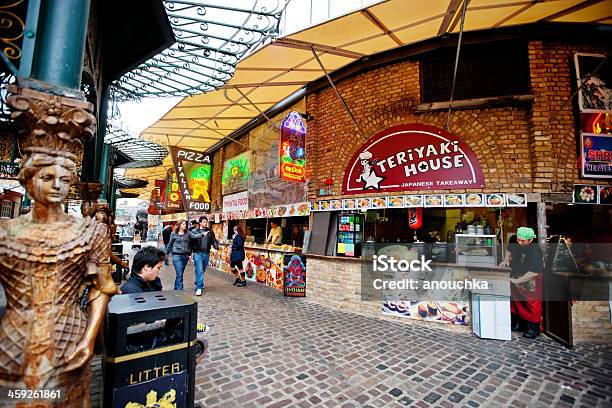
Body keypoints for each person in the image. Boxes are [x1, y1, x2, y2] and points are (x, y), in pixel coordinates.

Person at [0, 146, 117, 404]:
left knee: (71, 400)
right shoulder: (5, 231)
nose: (57, 186)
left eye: (64, 180)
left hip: (70, 335)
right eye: (47, 178)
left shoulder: (92, 232)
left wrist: (89, 337)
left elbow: (104, 286)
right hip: (13, 340)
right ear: (28, 179)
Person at [499, 227, 544, 339]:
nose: (519, 242)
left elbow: (534, 271)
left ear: (530, 240)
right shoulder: (516, 239)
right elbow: (510, 248)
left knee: (531, 303)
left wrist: (517, 281)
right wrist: (506, 259)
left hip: (530, 277)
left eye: (522, 241)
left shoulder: (535, 250)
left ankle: (534, 328)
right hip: (516, 273)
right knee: (516, 300)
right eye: (518, 239)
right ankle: (519, 324)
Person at [165, 220, 201, 291]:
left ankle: (176, 287)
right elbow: (170, 244)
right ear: (179, 225)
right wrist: (166, 254)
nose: (185, 225)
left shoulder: (188, 233)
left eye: (185, 224)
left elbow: (195, 236)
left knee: (180, 273)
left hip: (185, 256)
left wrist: (202, 234)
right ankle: (179, 291)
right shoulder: (173, 234)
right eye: (183, 224)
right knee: (179, 273)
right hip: (176, 256)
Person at [191, 216, 219, 296]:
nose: (206, 223)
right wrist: (189, 253)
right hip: (197, 253)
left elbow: (213, 240)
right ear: (200, 223)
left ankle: (199, 281)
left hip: (206, 253)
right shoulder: (195, 231)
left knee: (202, 269)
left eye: (206, 222)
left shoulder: (210, 231)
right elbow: (191, 243)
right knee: (199, 269)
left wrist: (216, 246)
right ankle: (199, 287)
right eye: (204, 222)